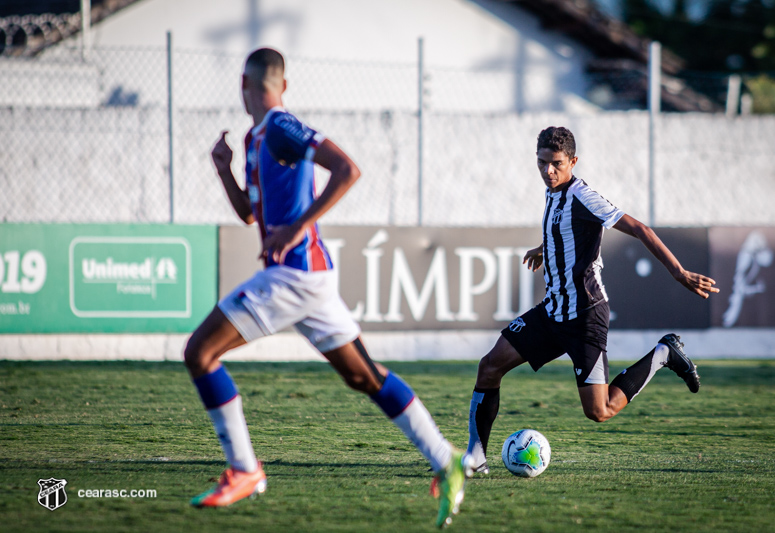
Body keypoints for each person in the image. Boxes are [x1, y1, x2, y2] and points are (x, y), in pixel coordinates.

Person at [183, 47, 472, 528]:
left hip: (294, 273)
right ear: (283, 82)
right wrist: (223, 169)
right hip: (308, 279)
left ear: (243, 84)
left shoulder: (279, 125)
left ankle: (244, 469)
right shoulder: (258, 139)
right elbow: (250, 215)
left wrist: (297, 227)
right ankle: (448, 459)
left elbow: (347, 169)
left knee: (200, 353)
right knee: (364, 377)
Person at [466, 126, 719, 474]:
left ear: (573, 161)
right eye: (541, 163)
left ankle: (664, 354)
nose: (547, 171)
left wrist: (679, 273)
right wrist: (547, 249)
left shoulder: (583, 196)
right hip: (553, 311)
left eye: (556, 164)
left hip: (585, 316)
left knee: (599, 411)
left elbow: (640, 229)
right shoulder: (552, 192)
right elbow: (568, 231)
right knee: (489, 366)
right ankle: (476, 457)